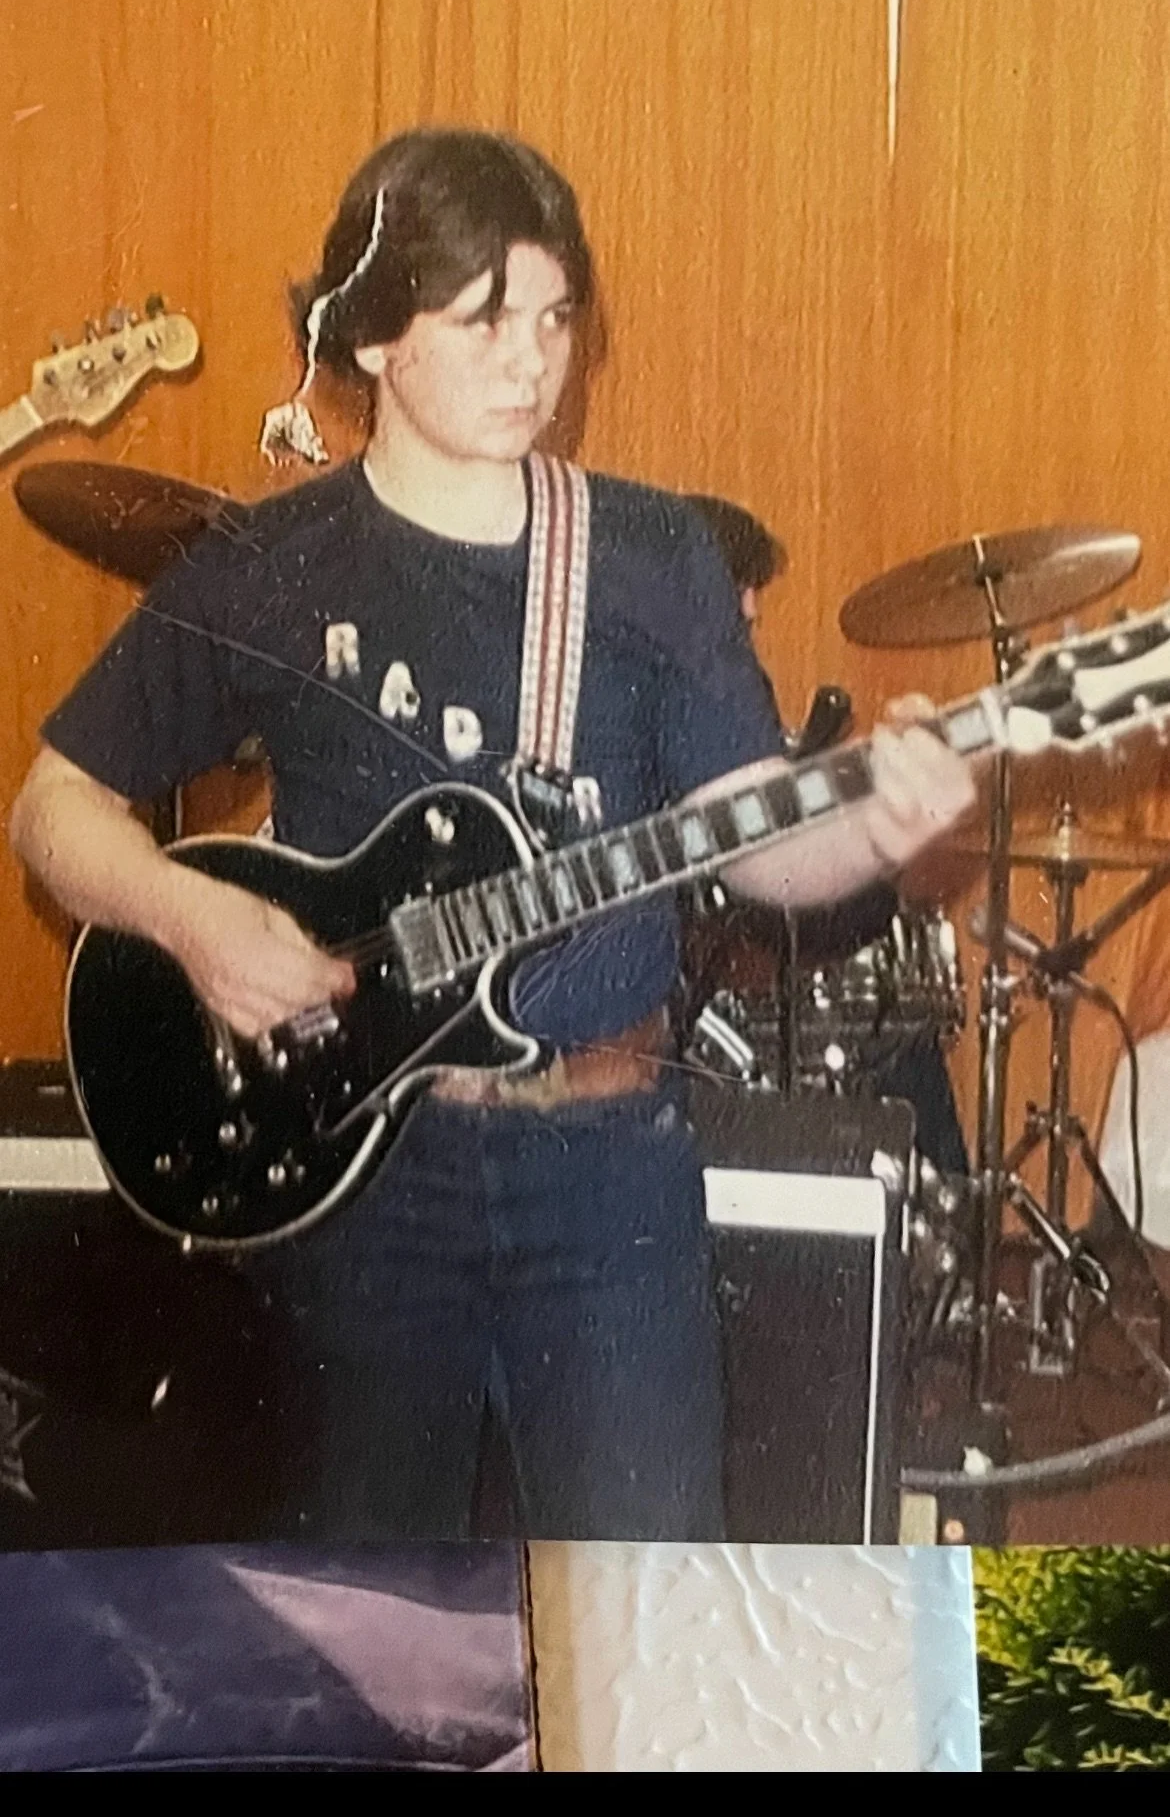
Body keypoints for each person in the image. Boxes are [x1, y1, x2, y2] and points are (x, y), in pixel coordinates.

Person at [10, 127, 975, 1539]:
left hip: (606, 1176)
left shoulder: (649, 555)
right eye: (486, 322)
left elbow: (748, 841)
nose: (535, 361)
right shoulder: (277, 568)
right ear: (378, 337)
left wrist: (877, 826)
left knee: (639, 1623)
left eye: (555, 320)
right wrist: (193, 918)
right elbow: (53, 803)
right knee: (364, 1636)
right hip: (361, 1179)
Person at [679, 488, 969, 1174]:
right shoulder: (676, 702)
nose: (752, 607)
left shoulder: (739, 703)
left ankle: (938, 1232)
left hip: (751, 965)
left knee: (898, 1014)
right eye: (738, 582)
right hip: (687, 1015)